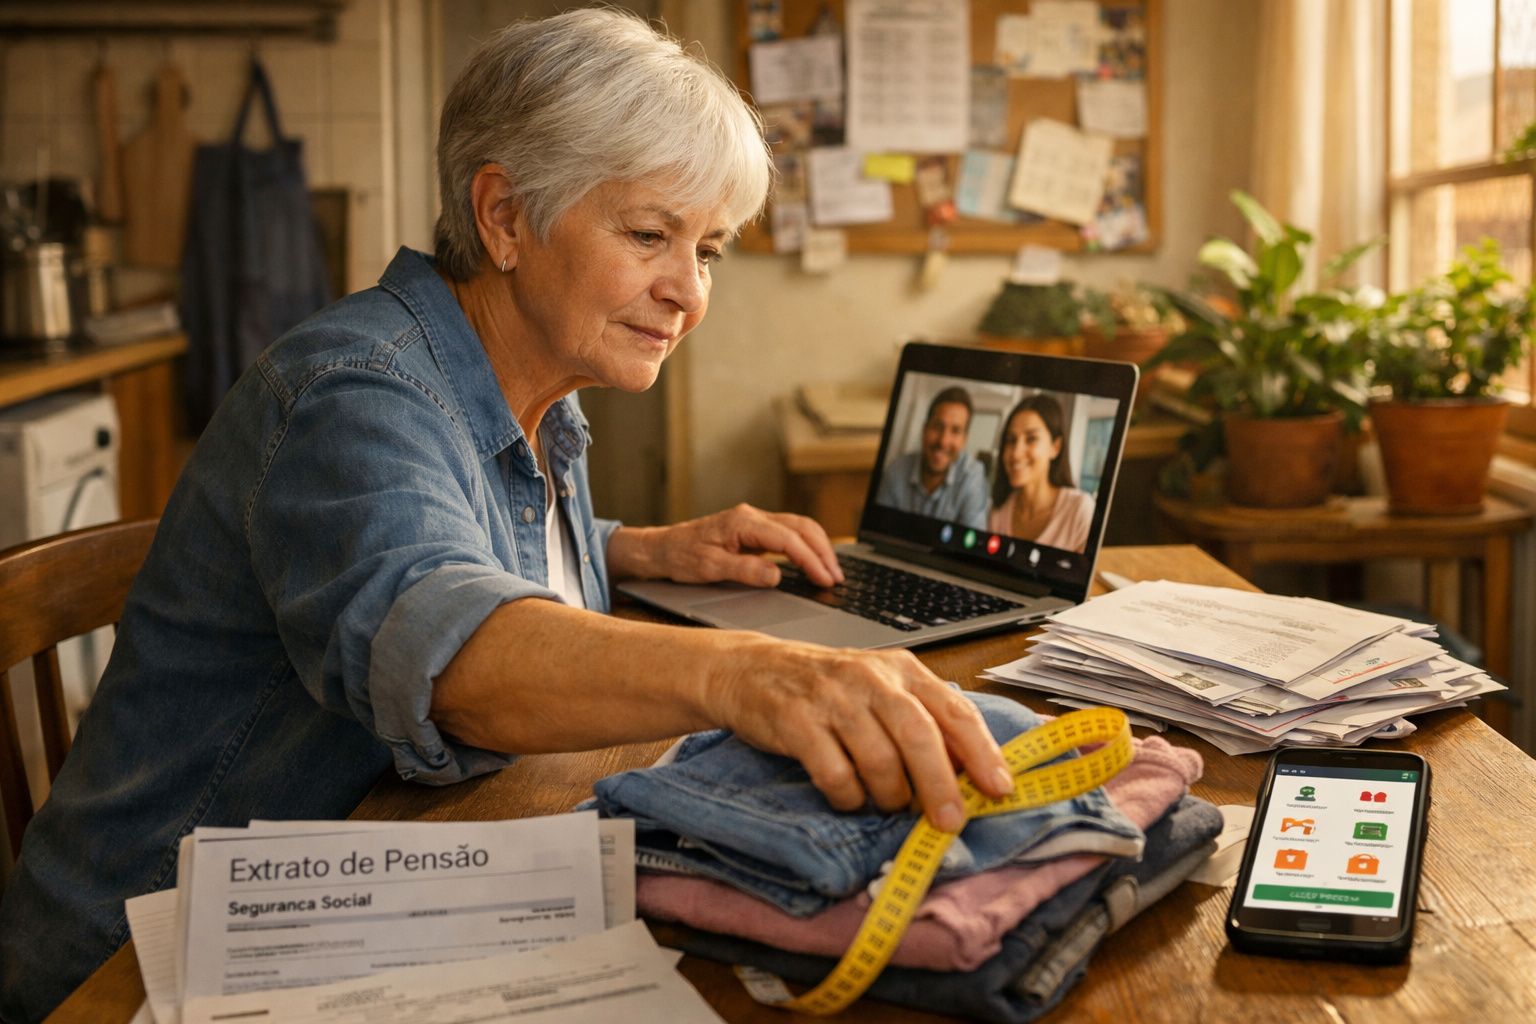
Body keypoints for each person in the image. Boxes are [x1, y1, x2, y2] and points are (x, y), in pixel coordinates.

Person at [0, 11, 1014, 1021]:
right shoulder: (353, 393)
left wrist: (633, 549)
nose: (687, 293)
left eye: (707, 250)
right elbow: (454, 660)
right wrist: (744, 672)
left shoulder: (535, 384)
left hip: (353, 899)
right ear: (504, 217)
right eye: (649, 235)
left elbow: (454, 542)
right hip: (136, 968)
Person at [987, 394, 1096, 553]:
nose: (1016, 453)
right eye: (1011, 440)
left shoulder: (1080, 510)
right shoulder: (998, 512)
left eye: (1031, 439)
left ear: (1055, 447)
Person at [874, 386, 989, 529]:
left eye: (955, 431)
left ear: (964, 440)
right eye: (937, 427)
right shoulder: (895, 471)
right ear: (924, 429)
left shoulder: (973, 477)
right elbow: (878, 530)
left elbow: (972, 538)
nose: (943, 441)